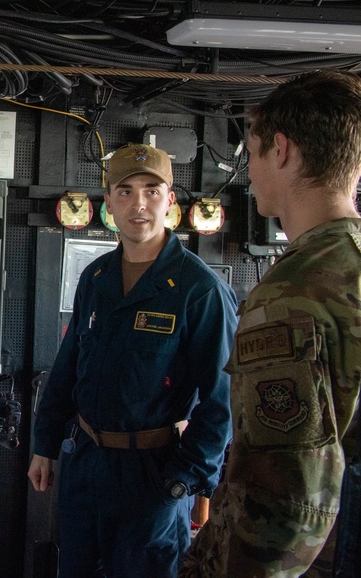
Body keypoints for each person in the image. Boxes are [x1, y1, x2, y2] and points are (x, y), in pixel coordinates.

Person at [28, 143, 239, 577]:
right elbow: (69, 367)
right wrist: (45, 445)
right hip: (86, 463)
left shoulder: (200, 290)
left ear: (170, 201)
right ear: (109, 204)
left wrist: (183, 480)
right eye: (125, 191)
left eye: (152, 190)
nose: (138, 203)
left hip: (153, 475)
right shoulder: (97, 277)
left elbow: (223, 401)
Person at [182, 70, 361, 577]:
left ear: (280, 150)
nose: (251, 171)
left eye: (252, 155)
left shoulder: (292, 294)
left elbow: (284, 501)